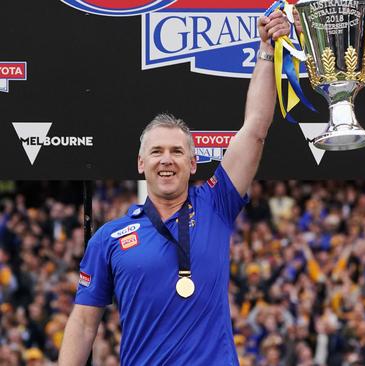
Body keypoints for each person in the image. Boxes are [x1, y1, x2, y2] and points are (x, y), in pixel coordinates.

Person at [58, 11, 292, 365]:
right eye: (156, 152)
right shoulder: (108, 239)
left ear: (193, 163)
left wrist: (266, 50)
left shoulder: (216, 204)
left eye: (177, 152)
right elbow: (84, 322)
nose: (166, 160)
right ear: (141, 164)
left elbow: (255, 128)